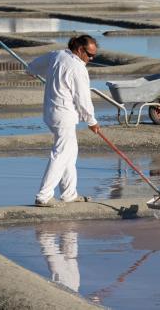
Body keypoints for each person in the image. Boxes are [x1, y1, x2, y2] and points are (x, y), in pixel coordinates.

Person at [27, 35, 100, 207]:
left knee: (70, 152)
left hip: (51, 113)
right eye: (89, 55)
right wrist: (91, 121)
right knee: (61, 154)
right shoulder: (78, 68)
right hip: (63, 115)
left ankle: (69, 194)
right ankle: (43, 196)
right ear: (80, 49)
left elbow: (34, 66)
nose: (91, 59)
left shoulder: (57, 55)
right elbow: (82, 99)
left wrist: (31, 70)